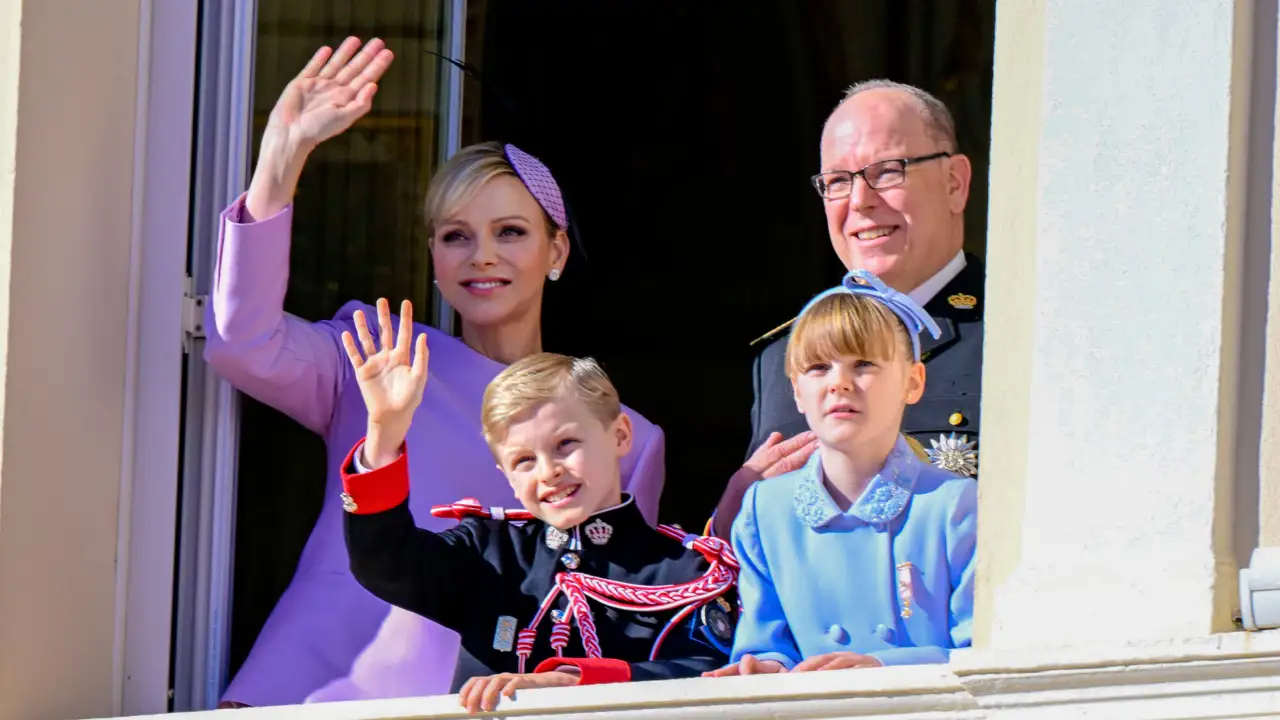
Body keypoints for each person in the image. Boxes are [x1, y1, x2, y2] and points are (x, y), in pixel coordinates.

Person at [204, 37, 665, 707]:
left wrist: (732, 517)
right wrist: (282, 156)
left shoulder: (628, 435)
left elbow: (619, 606)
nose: (482, 256)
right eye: (456, 235)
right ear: (433, 256)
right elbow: (240, 344)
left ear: (556, 249)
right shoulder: (377, 353)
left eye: (510, 232)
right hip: (314, 692)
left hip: (482, 702)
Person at [336, 314, 739, 713]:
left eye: (565, 443)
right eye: (524, 460)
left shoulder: (688, 570)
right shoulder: (489, 552)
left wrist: (571, 681)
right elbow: (386, 563)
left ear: (620, 436)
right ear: (506, 477)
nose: (549, 472)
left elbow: (709, 672)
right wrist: (384, 433)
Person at [728, 80, 983, 537]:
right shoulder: (783, 358)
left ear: (954, 183)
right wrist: (735, 505)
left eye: (887, 171)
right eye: (839, 182)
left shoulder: (1015, 332)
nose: (861, 201)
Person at [705, 270, 976, 676]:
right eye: (818, 368)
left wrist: (880, 665)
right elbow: (766, 641)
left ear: (913, 381)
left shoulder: (955, 506)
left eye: (863, 363)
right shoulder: (765, 511)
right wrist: (761, 668)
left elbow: (985, 653)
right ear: (796, 390)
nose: (840, 384)